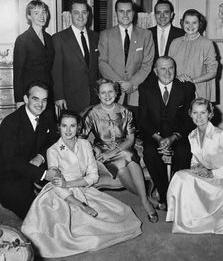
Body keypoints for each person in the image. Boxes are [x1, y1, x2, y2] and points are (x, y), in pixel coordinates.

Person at [21, 110, 142, 258]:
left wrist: (69, 183)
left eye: (72, 126)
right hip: (59, 195)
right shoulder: (52, 150)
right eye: (64, 126)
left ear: (79, 127)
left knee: (123, 214)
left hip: (82, 187)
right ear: (59, 127)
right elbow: (57, 185)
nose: (68, 130)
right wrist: (82, 205)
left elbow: (93, 176)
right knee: (74, 235)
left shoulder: (85, 144)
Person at [82, 78, 159, 223]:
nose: (107, 95)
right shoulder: (92, 113)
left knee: (128, 155)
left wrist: (112, 152)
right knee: (122, 166)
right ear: (98, 95)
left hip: (124, 145)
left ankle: (145, 201)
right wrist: (95, 148)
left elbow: (130, 140)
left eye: (110, 91)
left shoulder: (125, 112)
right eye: (103, 92)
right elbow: (81, 138)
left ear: (116, 93)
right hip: (103, 148)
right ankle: (147, 200)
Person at [166, 98, 223, 234]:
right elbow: (195, 161)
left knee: (182, 177)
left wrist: (213, 173)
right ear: (190, 114)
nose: (199, 117)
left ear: (210, 114)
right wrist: (198, 167)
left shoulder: (222, 135)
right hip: (208, 178)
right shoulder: (192, 135)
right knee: (180, 177)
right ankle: (180, 217)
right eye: (195, 113)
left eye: (203, 112)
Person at [138, 56, 195, 210]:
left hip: (177, 135)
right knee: (150, 154)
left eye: (171, 68)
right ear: (156, 71)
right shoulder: (145, 88)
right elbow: (143, 120)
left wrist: (173, 137)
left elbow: (189, 120)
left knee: (183, 153)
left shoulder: (186, 88)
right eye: (163, 68)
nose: (167, 72)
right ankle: (164, 194)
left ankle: (176, 193)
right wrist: (158, 138)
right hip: (154, 135)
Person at [0, 81, 59, 219]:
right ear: (26, 99)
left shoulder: (47, 115)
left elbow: (53, 140)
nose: (40, 104)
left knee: (64, 202)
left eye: (44, 100)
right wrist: (43, 174)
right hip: (12, 175)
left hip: (38, 166)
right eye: (35, 99)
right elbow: (12, 161)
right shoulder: (10, 123)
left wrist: (41, 156)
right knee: (37, 216)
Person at [98, 0, 154, 122]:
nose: (125, 15)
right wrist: (120, 83)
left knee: (135, 130)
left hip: (137, 92)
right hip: (113, 93)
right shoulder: (105, 35)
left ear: (133, 13)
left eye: (128, 11)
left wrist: (132, 83)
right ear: (116, 13)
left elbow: (147, 64)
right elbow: (102, 62)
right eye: (121, 11)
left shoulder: (146, 35)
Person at [52, 0, 99, 115]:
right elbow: (56, 71)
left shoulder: (96, 37)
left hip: (94, 98)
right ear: (70, 15)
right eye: (76, 12)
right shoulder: (59, 38)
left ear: (88, 14)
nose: (80, 16)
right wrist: (59, 96)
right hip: (70, 98)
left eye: (84, 12)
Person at [169, 9, 218, 102]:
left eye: (194, 23)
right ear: (182, 23)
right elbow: (169, 67)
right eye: (187, 22)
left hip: (199, 92)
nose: (190, 26)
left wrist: (192, 81)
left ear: (200, 24)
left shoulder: (207, 43)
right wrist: (177, 77)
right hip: (177, 90)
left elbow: (212, 72)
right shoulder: (175, 42)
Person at [13, 0, 55, 108]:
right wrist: (19, 100)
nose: (41, 16)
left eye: (44, 12)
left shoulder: (49, 39)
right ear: (29, 16)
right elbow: (18, 73)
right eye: (36, 13)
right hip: (31, 93)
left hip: (47, 93)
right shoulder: (23, 40)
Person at [149, 0, 185, 66]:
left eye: (166, 12)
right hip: (151, 75)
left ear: (171, 15)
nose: (162, 16)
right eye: (158, 13)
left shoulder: (182, 34)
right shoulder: (147, 34)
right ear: (155, 15)